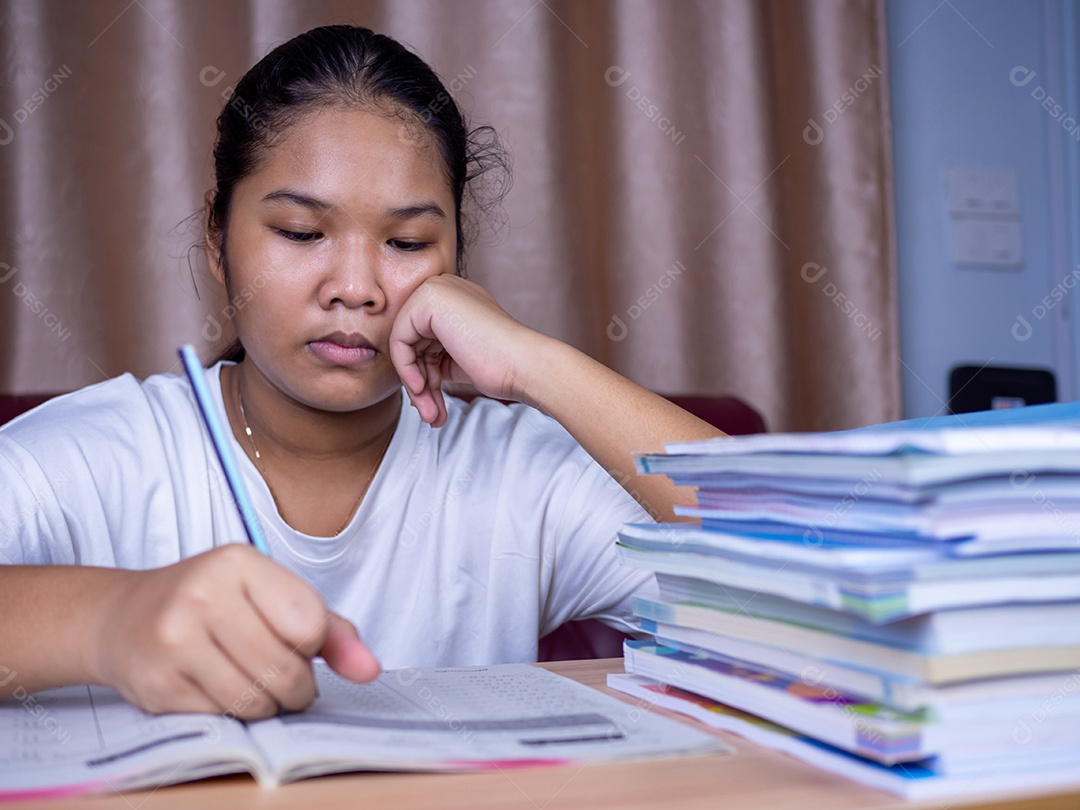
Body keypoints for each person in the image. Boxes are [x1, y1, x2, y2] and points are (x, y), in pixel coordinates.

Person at [0, 25, 723, 719]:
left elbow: (824, 585)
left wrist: (538, 362)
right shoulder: (96, 458)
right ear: (218, 239)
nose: (356, 286)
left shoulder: (520, 476)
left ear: (457, 265)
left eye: (406, 242)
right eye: (302, 233)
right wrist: (108, 620)